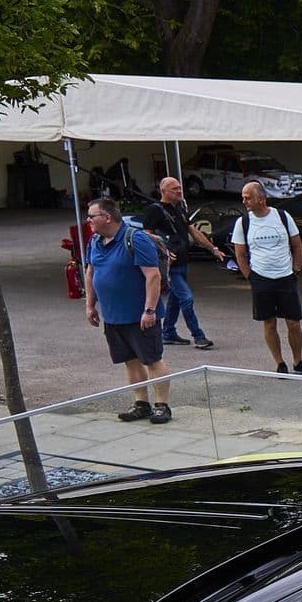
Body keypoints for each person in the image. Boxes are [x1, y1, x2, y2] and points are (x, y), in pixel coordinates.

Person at [82, 197, 173, 424]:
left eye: (92, 216)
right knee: (130, 360)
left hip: (139, 315)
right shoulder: (94, 241)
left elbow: (153, 275)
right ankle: (141, 404)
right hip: (113, 316)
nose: (88, 220)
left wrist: (149, 310)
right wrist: (90, 305)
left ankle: (162, 406)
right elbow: (91, 273)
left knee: (152, 359)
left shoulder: (135, 239)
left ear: (107, 217)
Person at [231, 181, 302, 374]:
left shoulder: (282, 216)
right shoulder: (243, 222)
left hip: (286, 277)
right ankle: (279, 363)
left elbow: (297, 245)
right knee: (269, 323)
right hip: (261, 279)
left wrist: (296, 269)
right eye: (243, 198)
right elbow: (240, 254)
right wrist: (251, 277)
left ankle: (298, 361)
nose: (244, 202)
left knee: (294, 322)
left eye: (248, 198)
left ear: (261, 198)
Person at [143, 176, 221, 349]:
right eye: (175, 189)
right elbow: (146, 235)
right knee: (186, 298)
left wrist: (213, 249)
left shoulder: (180, 208)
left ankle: (168, 332)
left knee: (176, 298)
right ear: (163, 191)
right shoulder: (154, 210)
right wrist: (164, 251)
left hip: (183, 262)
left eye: (179, 188)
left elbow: (194, 233)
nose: (179, 191)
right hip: (170, 266)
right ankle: (198, 336)